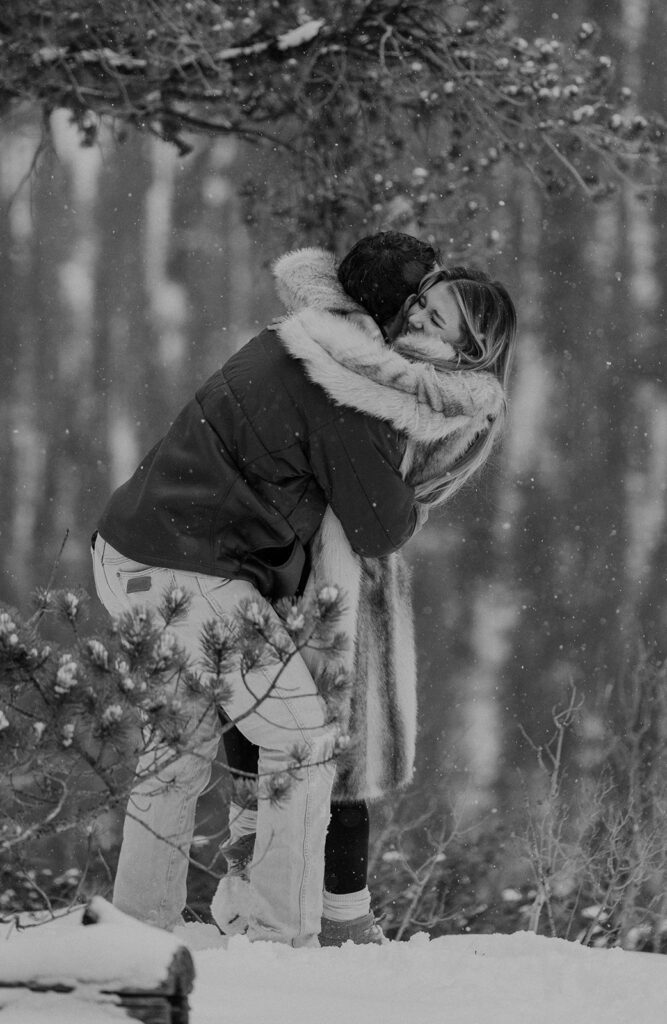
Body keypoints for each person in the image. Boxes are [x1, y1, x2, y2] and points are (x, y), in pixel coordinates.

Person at [92, 231, 463, 946]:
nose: (428, 318)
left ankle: (136, 929)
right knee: (302, 740)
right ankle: (280, 939)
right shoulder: (345, 384)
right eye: (423, 301)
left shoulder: (298, 338)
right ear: (395, 310)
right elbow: (381, 526)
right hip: (193, 572)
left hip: (130, 553)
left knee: (177, 750)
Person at [209, 241, 517, 944]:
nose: (418, 318)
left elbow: (386, 493)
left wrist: (343, 327)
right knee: (265, 733)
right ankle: (252, 893)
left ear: (471, 344)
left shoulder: (446, 398)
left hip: (351, 572)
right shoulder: (387, 364)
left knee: (339, 749)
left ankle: (343, 914)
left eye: (438, 317)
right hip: (296, 555)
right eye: (420, 303)